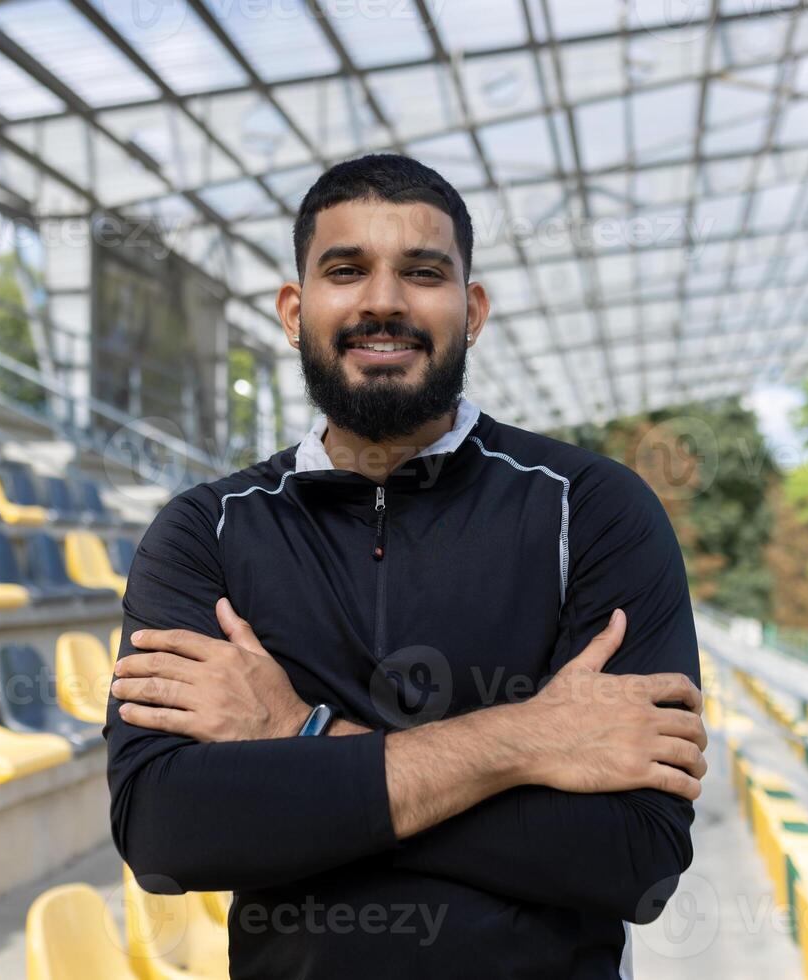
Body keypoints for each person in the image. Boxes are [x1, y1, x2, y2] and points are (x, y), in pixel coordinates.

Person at [104, 154, 707, 979]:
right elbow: (167, 833)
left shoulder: (593, 509)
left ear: (473, 307)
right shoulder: (206, 532)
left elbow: (636, 861)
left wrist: (298, 736)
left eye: (423, 273)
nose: (383, 301)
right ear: (293, 309)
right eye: (346, 270)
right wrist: (526, 742)